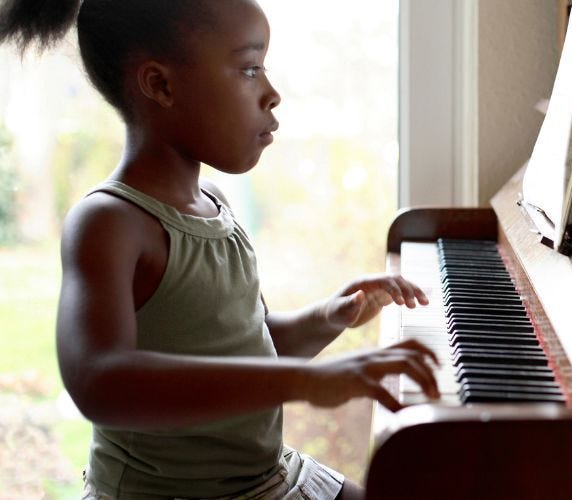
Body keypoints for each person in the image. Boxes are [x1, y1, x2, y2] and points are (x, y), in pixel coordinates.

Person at [0, 0, 441, 498]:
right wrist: (307, 382)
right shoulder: (110, 223)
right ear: (161, 85)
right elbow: (99, 380)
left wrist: (329, 316)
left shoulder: (215, 204)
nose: (272, 94)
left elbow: (247, 344)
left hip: (265, 477)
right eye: (249, 69)